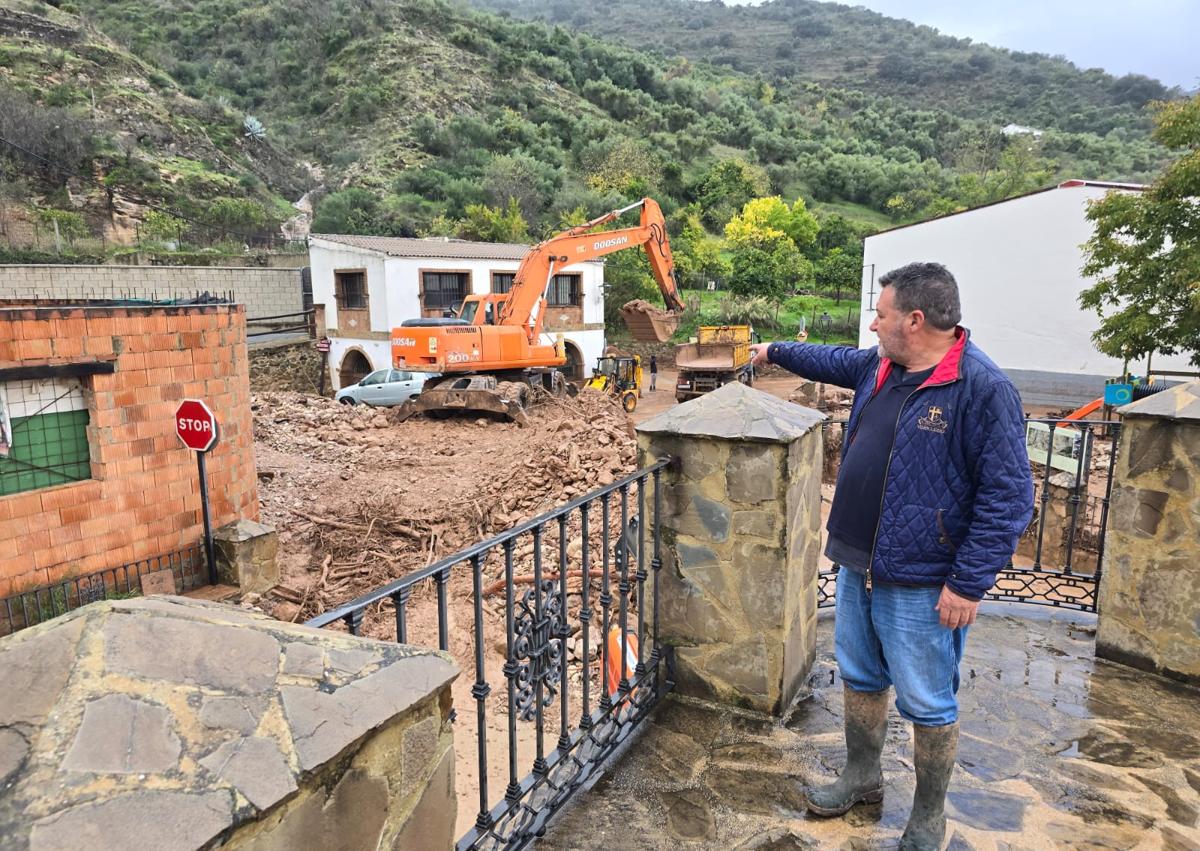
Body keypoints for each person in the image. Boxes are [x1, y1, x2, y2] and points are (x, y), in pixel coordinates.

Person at [749, 262, 1033, 851]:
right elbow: (827, 359)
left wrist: (969, 583)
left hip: (924, 579)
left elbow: (1008, 498)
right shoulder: (880, 366)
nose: (872, 325)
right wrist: (774, 349)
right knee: (860, 674)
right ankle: (862, 774)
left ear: (915, 319)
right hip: (858, 563)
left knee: (928, 699)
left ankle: (928, 816)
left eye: (880, 314)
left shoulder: (982, 389)